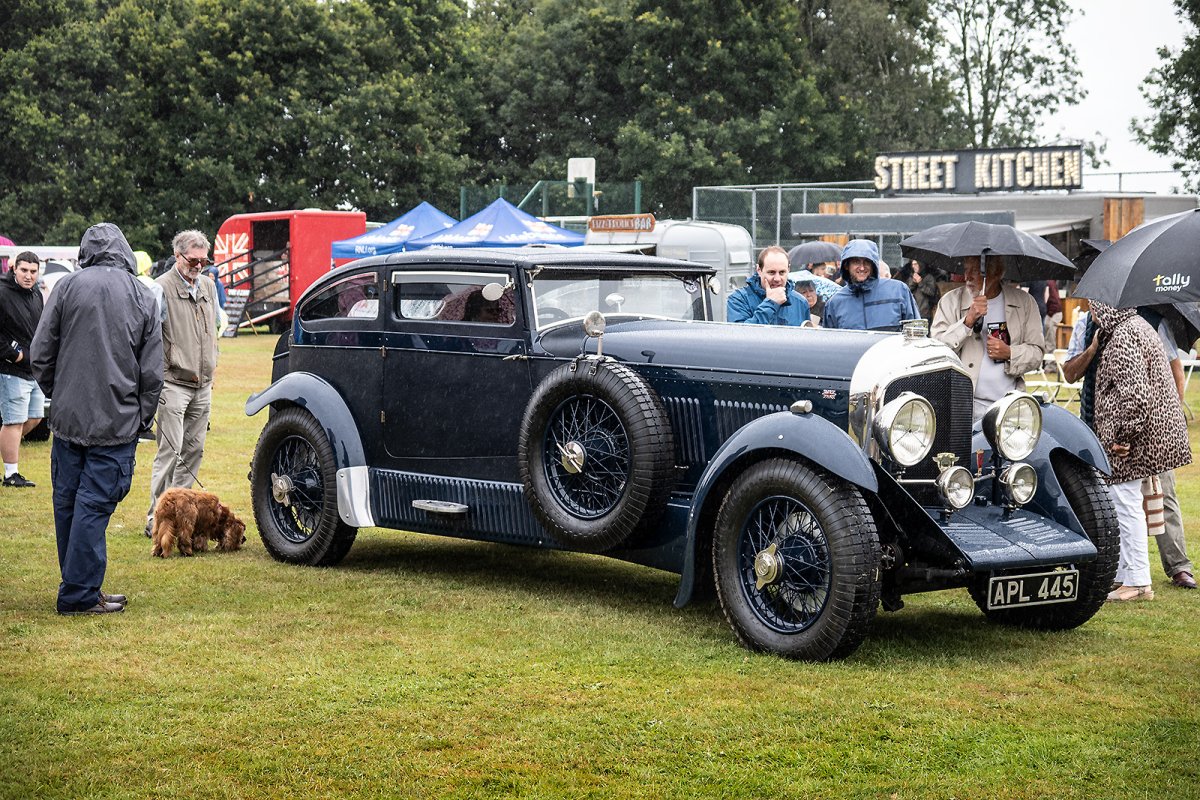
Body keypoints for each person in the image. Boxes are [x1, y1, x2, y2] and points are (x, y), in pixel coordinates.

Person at [30, 223, 163, 615]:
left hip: (73, 418)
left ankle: (81, 585)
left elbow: (41, 352)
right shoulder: (141, 293)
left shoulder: (67, 287)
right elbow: (152, 370)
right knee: (91, 505)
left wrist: (60, 393)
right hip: (116, 420)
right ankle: (79, 593)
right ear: (123, 249)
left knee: (69, 503)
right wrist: (142, 416)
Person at [1064, 307, 1196, 590]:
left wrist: (1122, 438)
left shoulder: (1124, 335)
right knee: (1122, 502)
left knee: (1126, 504)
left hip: (1135, 439)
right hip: (1138, 433)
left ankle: (1137, 580)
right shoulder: (1131, 326)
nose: (1091, 309)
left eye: (1094, 302)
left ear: (1105, 304)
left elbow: (1135, 397)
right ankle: (1125, 574)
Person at [145, 230, 219, 536]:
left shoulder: (210, 287)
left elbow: (213, 329)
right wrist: (159, 378)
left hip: (203, 385)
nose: (199, 265)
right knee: (170, 451)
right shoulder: (160, 288)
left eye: (204, 260)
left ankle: (180, 514)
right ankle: (156, 517)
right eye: (193, 259)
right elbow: (149, 337)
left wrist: (213, 364)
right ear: (177, 256)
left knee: (193, 451)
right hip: (173, 383)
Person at [930, 255, 1044, 421]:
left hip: (1008, 407)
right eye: (966, 269)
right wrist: (967, 322)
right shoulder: (950, 302)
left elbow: (1037, 352)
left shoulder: (1024, 302)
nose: (967, 276)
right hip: (963, 406)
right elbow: (937, 351)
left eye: (975, 271)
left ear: (996, 273)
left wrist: (1009, 353)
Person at [0, 251, 46, 487]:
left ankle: (7, 453)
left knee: (36, 417)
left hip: (33, 369)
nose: (28, 276)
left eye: (33, 271)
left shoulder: (36, 295)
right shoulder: (2, 292)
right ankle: (10, 475)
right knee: (13, 421)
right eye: (24, 270)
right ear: (13, 269)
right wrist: (14, 355)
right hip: (10, 369)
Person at [822, 240, 919, 332]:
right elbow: (829, 344)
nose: (862, 267)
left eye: (867, 261)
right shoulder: (834, 303)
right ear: (846, 265)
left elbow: (916, 334)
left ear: (874, 265)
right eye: (856, 261)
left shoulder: (898, 291)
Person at [727, 246, 810, 326]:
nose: (777, 279)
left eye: (782, 272)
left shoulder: (800, 302)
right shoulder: (739, 299)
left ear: (788, 269)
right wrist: (771, 303)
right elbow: (740, 335)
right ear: (759, 270)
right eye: (771, 272)